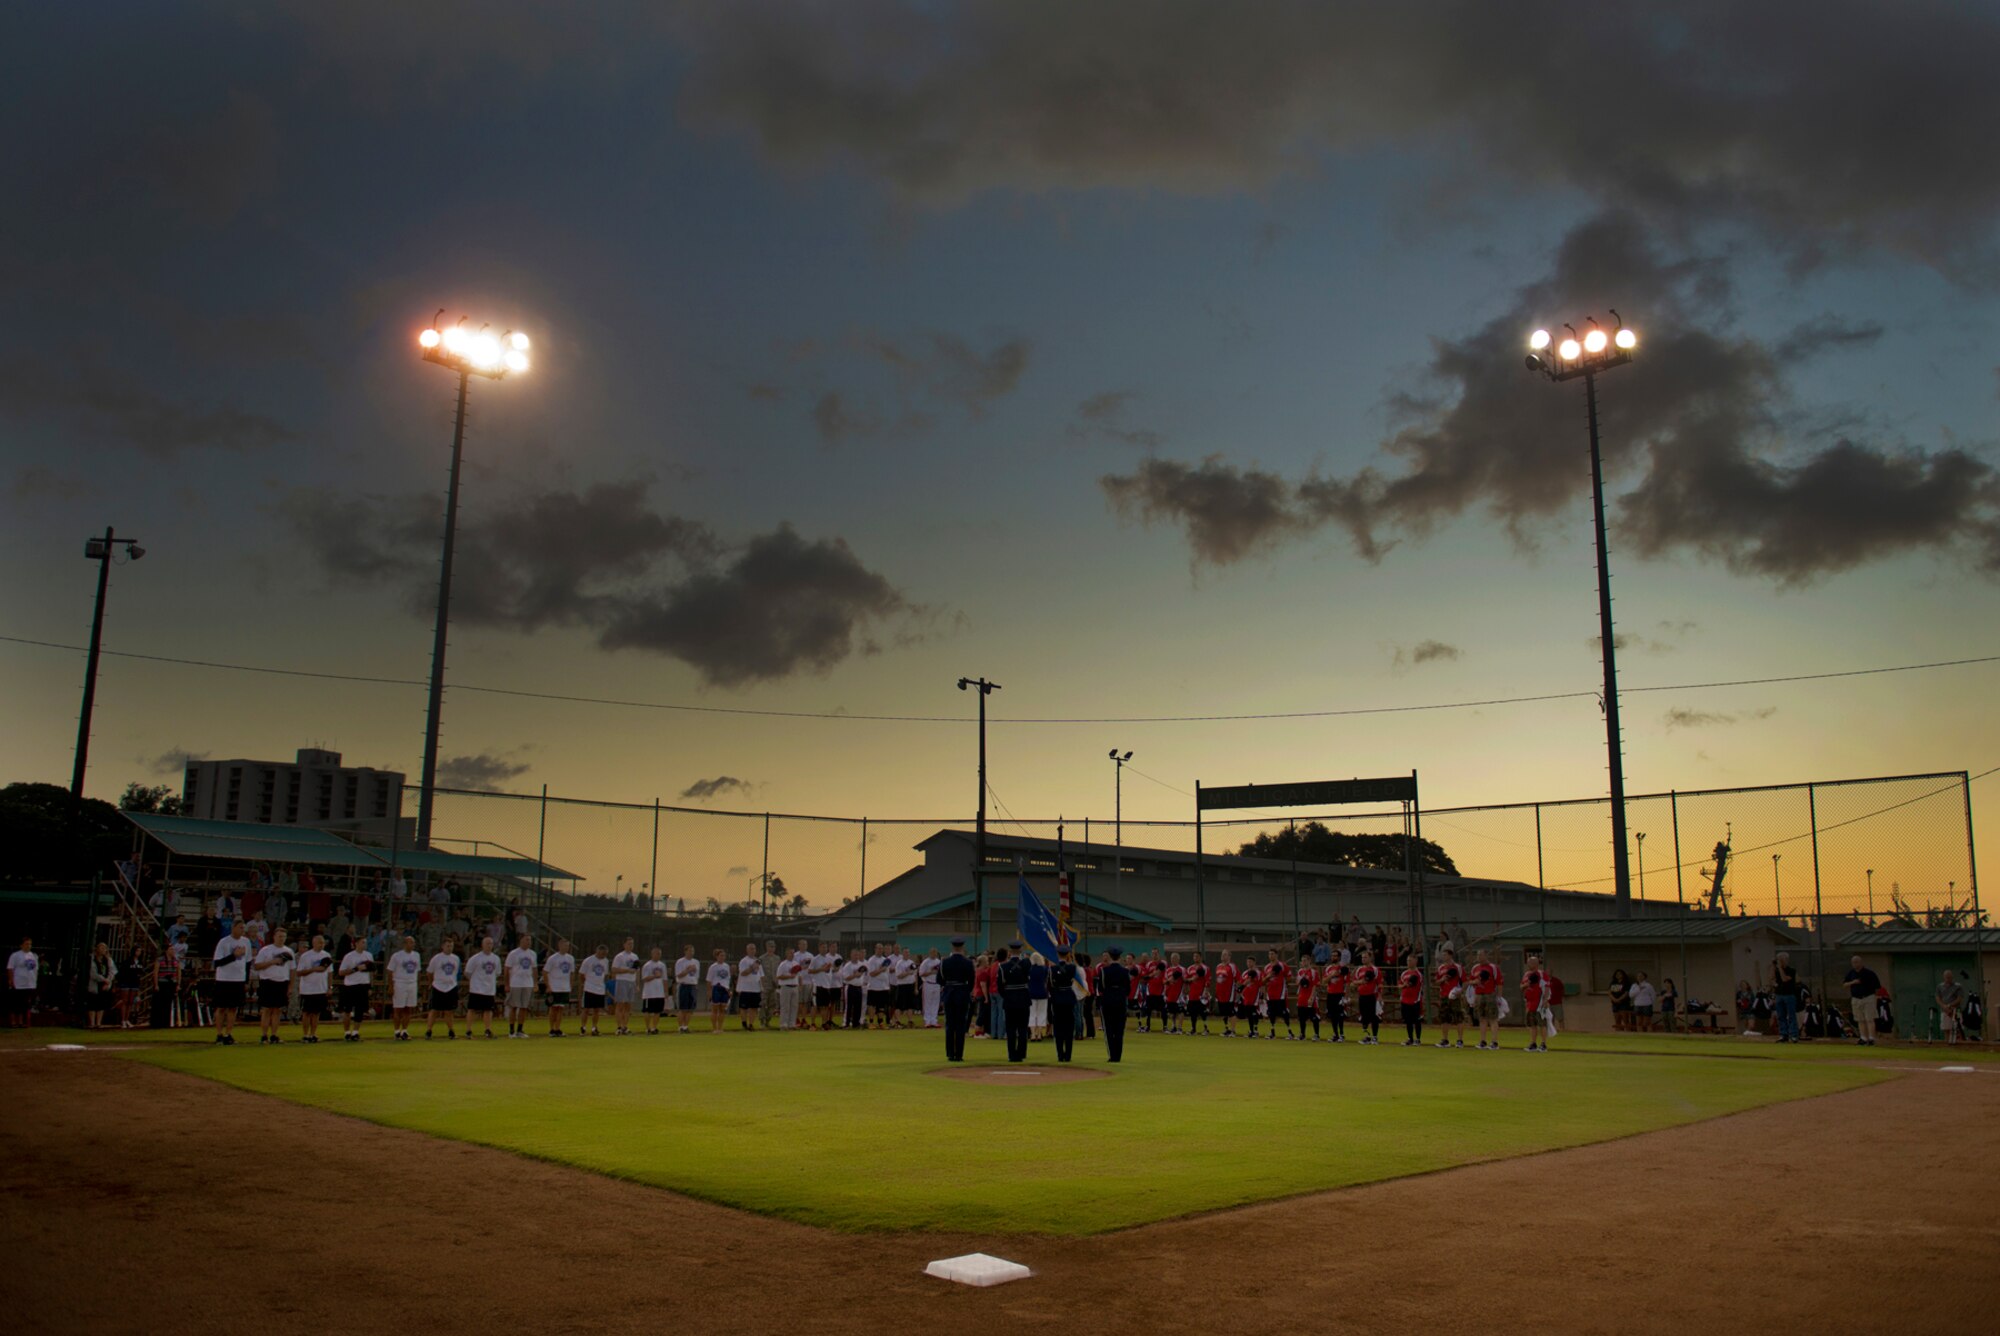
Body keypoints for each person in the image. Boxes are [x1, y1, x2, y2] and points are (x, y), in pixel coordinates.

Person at [212, 920, 253, 1045]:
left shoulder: (246, 942)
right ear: (233, 927)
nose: (242, 930)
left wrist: (246, 980)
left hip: (238, 979)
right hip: (224, 978)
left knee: (233, 1008)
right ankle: (219, 1033)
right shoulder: (224, 942)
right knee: (221, 1007)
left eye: (243, 928)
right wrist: (233, 956)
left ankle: (228, 1033)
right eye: (240, 927)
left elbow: (247, 962)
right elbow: (217, 962)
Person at [253, 929, 295, 1045]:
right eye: (280, 936)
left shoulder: (289, 951)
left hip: (282, 982)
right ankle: (264, 1035)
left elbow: (292, 970)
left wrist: (290, 986)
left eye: (284, 936)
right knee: (266, 1009)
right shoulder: (266, 950)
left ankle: (274, 1035)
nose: (282, 938)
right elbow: (257, 966)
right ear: (274, 937)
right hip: (268, 982)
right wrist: (272, 962)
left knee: (277, 1010)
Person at [940, 937, 976, 1060]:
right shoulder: (968, 962)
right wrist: (966, 990)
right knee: (961, 1025)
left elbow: (939, 979)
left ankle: (950, 1054)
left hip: (949, 993)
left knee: (950, 1024)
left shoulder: (945, 962)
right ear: (962, 948)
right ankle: (959, 1054)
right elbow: (972, 980)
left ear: (952, 947)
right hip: (962, 993)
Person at [998, 942, 1032, 1062]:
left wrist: (1007, 996)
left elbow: (1000, 987)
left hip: (1010, 1000)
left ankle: (1012, 1055)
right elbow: (1030, 979)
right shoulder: (1027, 963)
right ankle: (1021, 1053)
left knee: (1011, 1029)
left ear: (1009, 951)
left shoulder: (1003, 967)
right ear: (1021, 949)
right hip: (1023, 998)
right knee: (1023, 1028)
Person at [1097, 946, 1132, 1063]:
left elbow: (1100, 988)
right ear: (1120, 957)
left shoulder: (1103, 971)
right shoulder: (1125, 971)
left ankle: (1112, 1055)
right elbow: (1128, 989)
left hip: (1107, 1001)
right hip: (1121, 1001)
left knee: (1108, 1029)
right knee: (1119, 1030)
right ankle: (1118, 1055)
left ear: (1110, 957)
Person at [295, 933, 332, 1043]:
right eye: (320, 942)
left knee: (316, 1013)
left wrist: (330, 987)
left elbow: (330, 973)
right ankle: (305, 1034)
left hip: (321, 988)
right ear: (314, 943)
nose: (322, 945)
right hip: (308, 989)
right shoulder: (306, 956)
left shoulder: (327, 956)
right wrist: (314, 969)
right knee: (307, 1012)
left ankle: (313, 1033)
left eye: (323, 943)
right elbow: (299, 972)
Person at [424, 936, 462, 1040]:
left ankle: (451, 1030)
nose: (450, 948)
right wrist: (431, 983)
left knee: (449, 1011)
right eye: (448, 946)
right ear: (443, 946)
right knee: (434, 1010)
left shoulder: (456, 958)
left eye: (451, 946)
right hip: (438, 987)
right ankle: (429, 1030)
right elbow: (429, 972)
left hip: (451, 986)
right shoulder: (436, 958)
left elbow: (456, 973)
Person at [464, 936, 502, 1039]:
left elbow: (497, 973)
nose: (489, 946)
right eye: (487, 944)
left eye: (491, 944)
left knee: (488, 1010)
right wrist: (475, 982)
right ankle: (468, 1030)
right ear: (482, 945)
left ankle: (488, 1030)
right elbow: (467, 972)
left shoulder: (496, 959)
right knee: (472, 1009)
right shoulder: (475, 958)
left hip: (489, 989)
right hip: (477, 989)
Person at [338, 935, 374, 1042]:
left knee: (360, 1010)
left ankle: (355, 1032)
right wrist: (356, 969)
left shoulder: (368, 955)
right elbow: (341, 972)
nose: (364, 944)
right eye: (362, 942)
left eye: (365, 942)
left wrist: (370, 986)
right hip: (351, 985)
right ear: (356, 943)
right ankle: (347, 1032)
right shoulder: (349, 956)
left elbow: (371, 972)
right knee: (347, 1010)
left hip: (363, 985)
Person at [387, 934, 422, 1042]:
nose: (413, 944)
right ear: (405, 943)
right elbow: (390, 971)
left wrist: (418, 984)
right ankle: (397, 1031)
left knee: (408, 1008)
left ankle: (405, 1030)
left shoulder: (416, 955)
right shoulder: (397, 956)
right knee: (398, 1008)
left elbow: (418, 971)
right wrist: (391, 986)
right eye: (411, 942)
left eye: (413, 943)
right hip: (400, 983)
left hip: (412, 983)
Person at [1843, 955, 1882, 1046]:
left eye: (1857, 962)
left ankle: (1871, 1038)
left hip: (1868, 997)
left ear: (1861, 962)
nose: (1855, 964)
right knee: (1860, 1019)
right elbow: (1844, 984)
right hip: (1856, 999)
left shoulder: (1869, 973)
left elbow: (1877, 987)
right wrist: (1853, 982)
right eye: (1853, 962)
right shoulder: (1851, 974)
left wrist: (1875, 997)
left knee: (1869, 1019)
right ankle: (1863, 1037)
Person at [1050, 948, 1079, 1062]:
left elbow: (1051, 984)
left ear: (1057, 954)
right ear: (1067, 954)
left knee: (1058, 1028)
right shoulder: (1072, 967)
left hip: (1057, 998)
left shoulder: (1053, 968)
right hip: (1068, 997)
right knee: (1069, 1027)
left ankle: (1060, 1054)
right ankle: (1068, 1055)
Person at [1434, 949, 1467, 1049]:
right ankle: (1445, 1040)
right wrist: (1442, 980)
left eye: (1445, 955)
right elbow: (1436, 981)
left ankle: (1460, 1040)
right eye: (1442, 955)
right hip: (1444, 995)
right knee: (1444, 1018)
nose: (1443, 957)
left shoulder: (1457, 967)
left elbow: (1465, 981)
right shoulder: (1441, 968)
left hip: (1454, 996)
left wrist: (1460, 992)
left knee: (1458, 1017)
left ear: (1450, 955)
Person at [1470, 950, 1503, 1050]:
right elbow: (1470, 981)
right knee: (1482, 1018)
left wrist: (1499, 997)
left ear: (1486, 955)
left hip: (1490, 995)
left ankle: (1494, 1041)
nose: (1479, 957)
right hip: (1479, 995)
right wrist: (1474, 982)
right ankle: (1483, 1041)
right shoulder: (1475, 968)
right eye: (1478, 955)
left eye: (1481, 955)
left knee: (1492, 1019)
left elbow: (1499, 982)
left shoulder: (1493, 967)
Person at [544, 939, 575, 1036]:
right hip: (554, 986)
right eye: (564, 945)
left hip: (564, 987)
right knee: (553, 1008)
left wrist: (570, 985)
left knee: (561, 1008)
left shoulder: (570, 958)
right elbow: (545, 972)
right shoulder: (553, 958)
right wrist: (548, 986)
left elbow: (572, 973)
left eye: (567, 946)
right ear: (559, 946)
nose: (566, 948)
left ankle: (558, 1028)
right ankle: (551, 1029)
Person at [579, 946, 612, 1035]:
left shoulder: (606, 961)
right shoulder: (588, 960)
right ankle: (583, 1027)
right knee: (586, 1009)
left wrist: (604, 986)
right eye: (602, 953)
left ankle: (594, 1028)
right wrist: (585, 984)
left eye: (605, 954)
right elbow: (581, 974)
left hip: (600, 988)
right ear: (597, 951)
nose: (603, 955)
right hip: (589, 988)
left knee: (597, 1010)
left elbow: (605, 975)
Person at [1521, 954, 1551, 1052]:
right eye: (1528, 962)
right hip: (1529, 1003)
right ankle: (1533, 1043)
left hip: (1539, 1003)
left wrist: (1545, 1000)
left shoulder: (1542, 974)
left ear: (1536, 963)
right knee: (1532, 1024)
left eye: (1531, 962)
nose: (1529, 963)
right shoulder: (1526, 974)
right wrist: (1527, 984)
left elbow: (1547, 987)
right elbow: (1521, 987)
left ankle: (1543, 1044)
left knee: (1541, 1024)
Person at [611, 938, 640, 1036]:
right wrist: (627, 970)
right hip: (622, 981)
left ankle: (625, 1026)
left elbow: (637, 971)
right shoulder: (620, 956)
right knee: (620, 1004)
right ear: (624, 945)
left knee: (628, 1005)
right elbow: (614, 969)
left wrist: (637, 984)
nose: (630, 946)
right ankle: (619, 1026)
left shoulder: (635, 956)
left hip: (631, 982)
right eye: (629, 944)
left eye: (632, 944)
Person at [1770, 953, 1801, 1043]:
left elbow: (1784, 979)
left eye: (1781, 960)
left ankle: (1793, 1035)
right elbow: (1771, 978)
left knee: (1791, 1016)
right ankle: (1783, 1034)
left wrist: (1780, 968)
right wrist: (1773, 966)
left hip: (1789, 995)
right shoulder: (1777, 970)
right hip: (1779, 995)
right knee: (1781, 1016)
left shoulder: (1791, 970)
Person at [1353, 952, 1382, 1044]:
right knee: (1364, 1017)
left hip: (1372, 995)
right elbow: (1353, 982)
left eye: (1365, 957)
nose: (1363, 959)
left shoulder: (1375, 969)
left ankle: (1374, 1037)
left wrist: (1380, 995)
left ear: (1370, 958)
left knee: (1374, 1017)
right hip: (1362, 996)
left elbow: (1380, 983)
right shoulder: (1359, 970)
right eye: (1362, 957)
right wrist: (1361, 982)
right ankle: (1367, 1036)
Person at [86, 942, 116, 1029]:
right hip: (95, 984)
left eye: (104, 948)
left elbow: (112, 971)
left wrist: (108, 982)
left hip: (105, 985)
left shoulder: (108, 960)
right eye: (101, 948)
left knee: (101, 1004)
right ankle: (92, 1023)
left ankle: (99, 1023)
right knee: (92, 1003)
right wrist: (104, 979)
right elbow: (93, 973)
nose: (103, 950)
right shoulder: (92, 959)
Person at [640, 948, 669, 1035]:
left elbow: (665, 979)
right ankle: (647, 1028)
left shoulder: (662, 965)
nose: (658, 955)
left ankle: (654, 1028)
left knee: (657, 1011)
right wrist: (654, 976)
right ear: (652, 954)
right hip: (649, 993)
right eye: (656, 954)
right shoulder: (647, 965)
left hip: (659, 993)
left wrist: (666, 991)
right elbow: (644, 978)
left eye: (659, 954)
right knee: (647, 1011)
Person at [1264, 952, 1293, 1039]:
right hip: (1270, 994)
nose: (1271, 956)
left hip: (1280, 994)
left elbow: (1289, 977)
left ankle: (1290, 1032)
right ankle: (1272, 1032)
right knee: (1271, 1013)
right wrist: (1269, 976)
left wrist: (1284, 983)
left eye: (1273, 954)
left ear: (1277, 955)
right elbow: (1263, 981)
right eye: (1269, 954)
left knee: (1284, 1013)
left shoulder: (1283, 965)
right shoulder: (1267, 967)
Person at [1398, 958, 1426, 1046]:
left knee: (1417, 1020)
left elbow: (1418, 985)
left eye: (1410, 960)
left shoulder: (1418, 974)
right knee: (1408, 1021)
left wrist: (1408, 984)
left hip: (1415, 1000)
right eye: (1407, 960)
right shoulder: (1404, 973)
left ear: (1415, 961)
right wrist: (1404, 985)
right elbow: (1399, 985)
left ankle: (1418, 1039)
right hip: (1405, 1000)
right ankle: (1410, 1038)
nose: (1408, 962)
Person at [673, 946, 700, 1034]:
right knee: (683, 1008)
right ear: (685, 951)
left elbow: (696, 975)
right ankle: (680, 1027)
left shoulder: (696, 962)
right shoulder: (680, 962)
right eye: (689, 951)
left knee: (690, 1009)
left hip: (692, 986)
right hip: (684, 985)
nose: (691, 952)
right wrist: (688, 970)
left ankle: (686, 1026)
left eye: (693, 951)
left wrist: (696, 984)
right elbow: (678, 975)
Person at [1323, 955, 1349, 1042]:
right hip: (1330, 994)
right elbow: (1324, 981)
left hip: (1340, 994)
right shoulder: (1328, 968)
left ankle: (1342, 1034)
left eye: (1335, 956)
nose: (1333, 957)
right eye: (1332, 955)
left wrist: (1346, 996)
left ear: (1339, 957)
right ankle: (1335, 1034)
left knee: (1340, 1014)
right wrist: (1332, 975)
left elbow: (1347, 982)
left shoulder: (1343, 968)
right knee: (1332, 1015)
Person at [706, 948, 733, 1033]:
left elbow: (728, 979)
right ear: (717, 956)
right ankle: (714, 1028)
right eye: (721, 955)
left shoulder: (726, 966)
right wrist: (709, 991)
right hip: (716, 988)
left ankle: (720, 1028)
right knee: (715, 1009)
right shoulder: (713, 967)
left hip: (724, 989)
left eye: (724, 956)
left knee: (722, 1009)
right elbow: (709, 980)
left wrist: (729, 990)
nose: (722, 957)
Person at [775, 950, 802, 1031]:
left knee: (794, 1006)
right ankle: (783, 1024)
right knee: (785, 1006)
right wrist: (789, 976)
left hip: (795, 986)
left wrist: (800, 985)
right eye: (790, 953)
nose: (792, 954)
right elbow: (778, 976)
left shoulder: (796, 963)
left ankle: (792, 1024)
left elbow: (799, 976)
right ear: (786, 954)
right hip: (786, 987)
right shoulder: (783, 964)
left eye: (793, 953)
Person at [1937, 970, 1966, 1043]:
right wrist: (1944, 1006)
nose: (1948, 979)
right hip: (1945, 1010)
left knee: (1959, 1027)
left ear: (1952, 977)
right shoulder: (1940, 986)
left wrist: (1950, 1005)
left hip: (1957, 1010)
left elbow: (1960, 998)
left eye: (1949, 977)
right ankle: (1947, 1043)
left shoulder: (1958, 986)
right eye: (1946, 977)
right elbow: (1938, 998)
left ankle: (1960, 1043)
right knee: (1946, 1028)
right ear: (1944, 977)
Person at [1295, 955, 1321, 1041]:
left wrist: (1311, 997)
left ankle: (1316, 1034)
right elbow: (1297, 983)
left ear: (1309, 961)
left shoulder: (1313, 972)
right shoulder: (1300, 971)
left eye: (1305, 960)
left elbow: (1315, 985)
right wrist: (1302, 980)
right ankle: (1302, 1034)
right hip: (1301, 996)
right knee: (1302, 1017)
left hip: (1310, 996)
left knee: (1313, 1017)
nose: (1303, 962)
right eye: (1302, 961)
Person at [1213, 951, 1237, 1038]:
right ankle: (1227, 1029)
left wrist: (1238, 991)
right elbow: (1218, 980)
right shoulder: (1218, 966)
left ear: (1229, 956)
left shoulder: (1232, 966)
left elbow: (1237, 978)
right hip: (1220, 994)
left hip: (1229, 993)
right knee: (1224, 1012)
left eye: (1225, 954)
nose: (1223, 956)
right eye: (1222, 954)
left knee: (1230, 1012)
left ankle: (1233, 1030)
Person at [1027, 951, 1051, 1040]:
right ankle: (1040, 1034)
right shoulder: (1045, 969)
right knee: (1042, 1013)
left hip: (1031, 993)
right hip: (1042, 993)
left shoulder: (1029, 969)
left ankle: (1033, 1034)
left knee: (1032, 1014)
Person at [918, 948, 942, 1028]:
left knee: (935, 1002)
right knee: (927, 1003)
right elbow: (921, 973)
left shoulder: (939, 962)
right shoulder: (926, 962)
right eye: (932, 952)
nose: (934, 954)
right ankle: (927, 1021)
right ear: (930, 953)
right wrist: (931, 972)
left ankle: (934, 1020)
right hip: (928, 983)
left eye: (935, 952)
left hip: (937, 984)